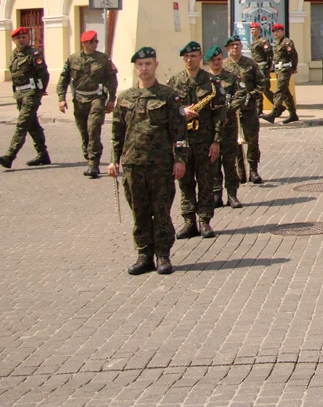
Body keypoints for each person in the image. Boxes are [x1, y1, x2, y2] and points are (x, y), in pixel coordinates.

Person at [108, 47, 189, 275]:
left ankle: (163, 255)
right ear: (135, 68)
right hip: (133, 165)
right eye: (140, 64)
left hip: (161, 166)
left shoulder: (168, 96)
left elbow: (179, 133)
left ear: (156, 65)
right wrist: (114, 161)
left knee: (161, 211)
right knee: (140, 212)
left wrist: (180, 160)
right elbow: (117, 133)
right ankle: (144, 255)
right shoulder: (125, 98)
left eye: (148, 64)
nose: (144, 68)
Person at [167, 41, 225, 240]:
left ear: (200, 58)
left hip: (205, 141)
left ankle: (205, 220)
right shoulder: (174, 82)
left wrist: (216, 141)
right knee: (185, 182)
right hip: (183, 141)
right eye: (186, 57)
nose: (190, 60)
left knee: (206, 181)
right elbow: (167, 112)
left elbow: (220, 114)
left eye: (193, 56)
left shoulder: (211, 82)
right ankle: (189, 221)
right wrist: (183, 112)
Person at [56, 30, 118, 178]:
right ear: (83, 43)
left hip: (97, 98)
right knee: (84, 133)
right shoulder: (72, 59)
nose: (94, 44)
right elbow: (63, 79)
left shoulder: (103, 59)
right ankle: (89, 153)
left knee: (93, 129)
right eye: (91, 41)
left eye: (96, 41)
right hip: (79, 100)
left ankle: (93, 164)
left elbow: (112, 80)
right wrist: (61, 98)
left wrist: (111, 99)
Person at [1, 26, 50, 169]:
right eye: (18, 38)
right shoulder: (14, 55)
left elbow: (44, 74)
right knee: (32, 125)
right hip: (20, 95)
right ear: (14, 40)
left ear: (28, 38)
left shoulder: (34, 54)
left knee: (22, 124)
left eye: (24, 37)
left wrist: (41, 91)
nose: (21, 40)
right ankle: (43, 155)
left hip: (31, 93)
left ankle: (10, 156)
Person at [205, 45, 245, 209]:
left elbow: (241, 95)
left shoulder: (232, 77)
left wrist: (227, 110)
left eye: (219, 59)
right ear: (208, 62)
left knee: (229, 161)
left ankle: (232, 194)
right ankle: (216, 194)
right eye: (213, 60)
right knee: (213, 161)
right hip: (211, 127)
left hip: (228, 126)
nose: (217, 62)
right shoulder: (204, 80)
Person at [224, 34, 266, 188]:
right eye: (232, 45)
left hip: (249, 109)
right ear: (228, 49)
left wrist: (253, 95)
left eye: (238, 45)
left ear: (242, 47)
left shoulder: (250, 64)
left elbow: (262, 83)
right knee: (235, 142)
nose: (235, 48)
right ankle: (240, 171)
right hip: (231, 111)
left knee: (252, 140)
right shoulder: (224, 66)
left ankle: (253, 170)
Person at [262, 23, 299, 124]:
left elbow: (294, 55)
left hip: (285, 70)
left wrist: (294, 67)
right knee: (285, 93)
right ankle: (293, 114)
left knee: (278, 91)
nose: (276, 33)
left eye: (278, 31)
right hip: (279, 70)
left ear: (282, 31)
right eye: (274, 31)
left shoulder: (287, 42)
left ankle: (274, 113)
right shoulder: (277, 42)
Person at [249, 22, 275, 112]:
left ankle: (277, 106)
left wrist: (269, 65)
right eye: (251, 29)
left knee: (265, 89)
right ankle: (259, 110)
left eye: (254, 29)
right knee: (258, 88)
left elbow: (269, 53)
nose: (252, 31)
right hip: (256, 67)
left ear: (259, 30)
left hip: (262, 66)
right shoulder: (253, 41)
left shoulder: (262, 41)